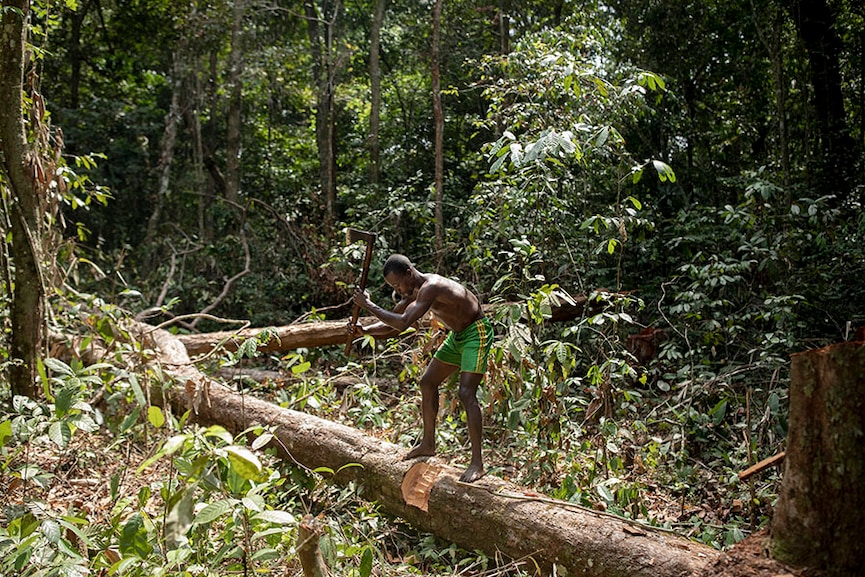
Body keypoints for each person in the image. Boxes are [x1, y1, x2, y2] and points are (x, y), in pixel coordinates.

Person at [349, 254, 493, 483]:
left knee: (466, 393)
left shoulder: (431, 286)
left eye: (397, 284)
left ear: (409, 273)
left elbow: (404, 322)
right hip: (457, 337)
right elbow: (392, 323)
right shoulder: (411, 292)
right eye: (392, 286)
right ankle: (428, 444)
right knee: (427, 382)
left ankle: (477, 463)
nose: (397, 289)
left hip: (476, 332)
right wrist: (364, 331)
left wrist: (368, 305)